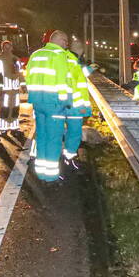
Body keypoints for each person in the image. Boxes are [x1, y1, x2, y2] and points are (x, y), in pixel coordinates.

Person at [25, 30, 75, 183]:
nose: (66, 44)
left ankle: (41, 173)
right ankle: (51, 176)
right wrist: (66, 102)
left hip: (37, 102)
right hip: (54, 103)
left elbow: (28, 77)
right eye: (65, 41)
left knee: (41, 136)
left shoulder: (35, 54)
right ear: (59, 40)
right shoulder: (59, 55)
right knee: (54, 139)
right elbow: (62, 81)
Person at [59, 37, 94, 170]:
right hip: (74, 105)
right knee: (74, 132)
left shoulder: (65, 58)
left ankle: (62, 155)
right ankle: (69, 158)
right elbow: (76, 79)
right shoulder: (73, 61)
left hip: (62, 104)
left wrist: (88, 69)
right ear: (81, 51)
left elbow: (76, 75)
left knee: (59, 129)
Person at [0, 40, 25, 142]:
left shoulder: (16, 59)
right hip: (4, 90)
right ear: (2, 48)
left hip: (14, 89)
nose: (7, 49)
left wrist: (23, 85)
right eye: (5, 47)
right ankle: (3, 129)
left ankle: (14, 128)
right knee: (5, 109)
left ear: (12, 48)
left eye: (8, 47)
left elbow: (20, 73)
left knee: (15, 108)